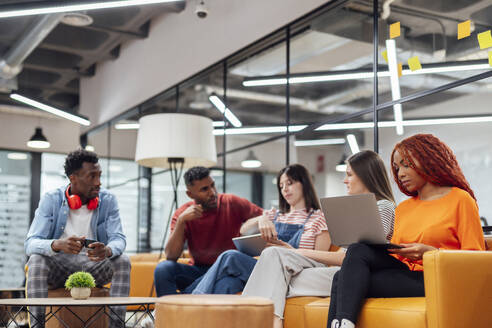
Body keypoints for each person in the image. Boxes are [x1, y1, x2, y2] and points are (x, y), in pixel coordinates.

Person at [327, 134, 486, 328]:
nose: (400, 173)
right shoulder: (403, 208)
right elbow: (395, 257)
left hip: (436, 278)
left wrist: (431, 254)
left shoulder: (461, 200)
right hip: (404, 274)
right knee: (356, 253)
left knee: (341, 279)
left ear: (429, 159)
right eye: (397, 167)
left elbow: (476, 259)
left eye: (406, 165)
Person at [242, 150, 396, 328]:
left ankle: (255, 320)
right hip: (340, 271)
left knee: (274, 275)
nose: (344, 180)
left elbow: (352, 259)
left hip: (355, 278)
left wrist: (296, 252)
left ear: (366, 175)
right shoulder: (360, 208)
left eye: (349, 175)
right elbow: (344, 255)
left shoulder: (383, 206)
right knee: (272, 257)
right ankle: (274, 322)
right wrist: (291, 251)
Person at [25, 149, 130, 328]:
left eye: (99, 176)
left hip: (93, 266)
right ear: (73, 178)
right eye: (92, 176)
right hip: (59, 267)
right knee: (36, 260)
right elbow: (30, 243)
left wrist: (108, 250)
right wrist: (57, 245)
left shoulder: (108, 199)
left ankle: (117, 326)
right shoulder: (51, 199)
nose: (98, 182)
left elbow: (118, 238)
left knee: (123, 261)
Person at [191, 163, 331, 296]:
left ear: (304, 183)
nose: (285, 189)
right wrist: (262, 218)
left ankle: (191, 297)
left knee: (230, 256)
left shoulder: (319, 219)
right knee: (227, 283)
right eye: (281, 186)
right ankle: (201, 317)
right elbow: (243, 229)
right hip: (266, 267)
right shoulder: (275, 215)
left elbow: (320, 263)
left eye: (290, 183)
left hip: (292, 273)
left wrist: (291, 251)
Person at [153, 166, 263, 296]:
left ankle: (185, 301)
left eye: (212, 185)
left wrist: (262, 221)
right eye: (204, 189)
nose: (212, 192)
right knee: (163, 269)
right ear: (190, 194)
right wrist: (181, 222)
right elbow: (171, 256)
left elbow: (264, 217)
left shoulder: (231, 202)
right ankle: (169, 313)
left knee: (228, 283)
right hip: (199, 270)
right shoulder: (183, 214)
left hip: (229, 269)